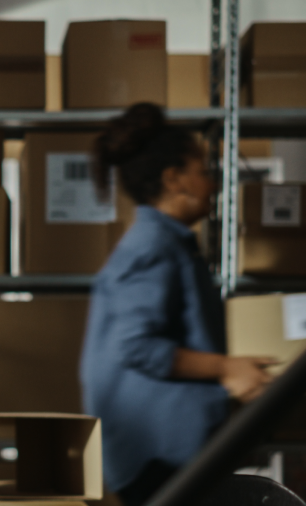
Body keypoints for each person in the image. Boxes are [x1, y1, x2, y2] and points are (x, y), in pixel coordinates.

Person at [80, 103, 276, 506]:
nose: (213, 181)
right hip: (154, 457)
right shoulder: (151, 247)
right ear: (174, 180)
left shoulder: (168, 243)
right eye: (202, 170)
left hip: (165, 451)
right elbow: (136, 346)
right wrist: (227, 368)